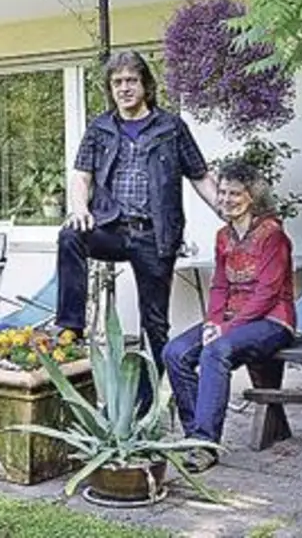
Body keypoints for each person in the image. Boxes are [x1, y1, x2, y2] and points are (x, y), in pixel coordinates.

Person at [55, 50, 220, 402]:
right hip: (111, 227)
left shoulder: (171, 127)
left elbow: (200, 176)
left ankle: (147, 405)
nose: (124, 88)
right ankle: (70, 325)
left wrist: (230, 211)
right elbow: (81, 176)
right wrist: (80, 208)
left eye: (131, 81)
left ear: (145, 84)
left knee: (155, 325)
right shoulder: (100, 129)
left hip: (155, 235)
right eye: (117, 83)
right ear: (110, 89)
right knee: (71, 234)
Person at [162, 164, 295, 473]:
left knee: (216, 351)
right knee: (174, 352)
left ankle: (206, 445)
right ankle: (195, 434)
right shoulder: (223, 236)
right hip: (232, 319)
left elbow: (267, 292)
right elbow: (220, 284)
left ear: (252, 197)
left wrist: (225, 329)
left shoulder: (272, 235)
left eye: (235, 193)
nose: (226, 199)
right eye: (222, 192)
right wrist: (212, 322)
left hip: (273, 321)